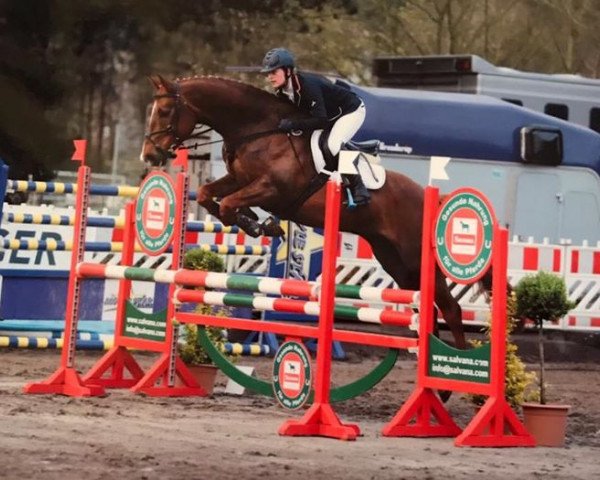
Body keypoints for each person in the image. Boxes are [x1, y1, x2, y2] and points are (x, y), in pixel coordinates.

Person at [261, 47, 370, 206]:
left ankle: (359, 188)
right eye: (268, 73)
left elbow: (321, 121)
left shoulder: (308, 86)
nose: (270, 77)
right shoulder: (282, 92)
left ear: (288, 71)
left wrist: (293, 125)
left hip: (351, 111)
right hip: (331, 115)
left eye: (274, 72)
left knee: (333, 144)